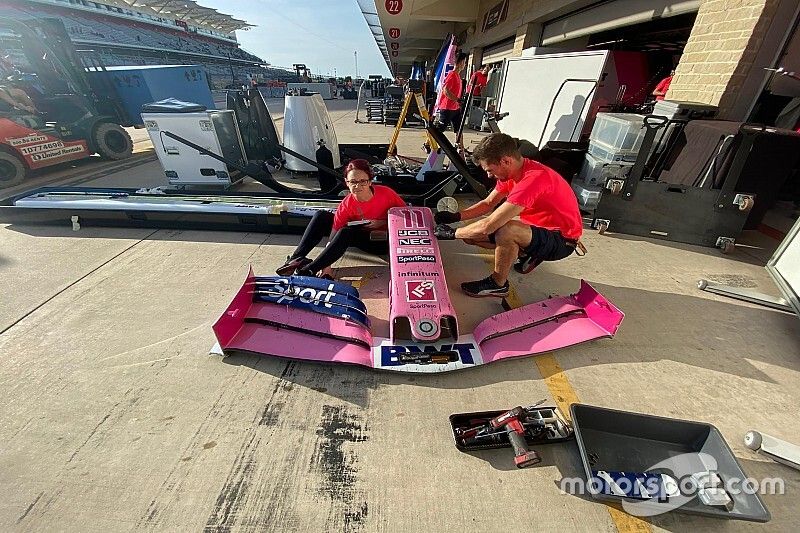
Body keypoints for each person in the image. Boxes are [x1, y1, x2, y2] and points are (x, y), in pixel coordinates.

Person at [434, 133, 584, 298]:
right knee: (470, 236)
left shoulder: (533, 179)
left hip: (562, 241)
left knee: (506, 229)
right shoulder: (511, 173)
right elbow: (488, 203)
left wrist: (451, 233)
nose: (489, 175)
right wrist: (456, 217)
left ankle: (498, 284)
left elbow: (488, 226)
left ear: (506, 161)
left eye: (490, 170)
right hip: (537, 229)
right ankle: (526, 252)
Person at [276, 159, 407, 279]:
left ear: (370, 181)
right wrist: (327, 267)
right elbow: (332, 238)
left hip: (385, 241)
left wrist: (383, 223)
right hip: (363, 237)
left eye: (363, 181)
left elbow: (408, 216)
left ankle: (309, 270)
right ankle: (296, 258)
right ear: (347, 183)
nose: (358, 186)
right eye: (353, 182)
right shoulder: (347, 204)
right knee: (321, 216)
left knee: (346, 231)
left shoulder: (386, 193)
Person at [435, 52, 468, 132]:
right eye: (465, 62)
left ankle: (460, 145)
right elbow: (445, 90)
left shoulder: (458, 76)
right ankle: (428, 143)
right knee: (439, 130)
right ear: (461, 62)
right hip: (447, 108)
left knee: (459, 130)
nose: (465, 64)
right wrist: (457, 99)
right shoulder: (452, 75)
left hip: (455, 108)